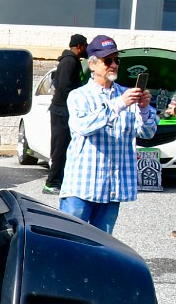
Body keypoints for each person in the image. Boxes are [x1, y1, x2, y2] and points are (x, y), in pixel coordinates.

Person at [59, 34, 157, 234]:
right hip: (82, 187)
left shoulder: (127, 95)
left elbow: (147, 133)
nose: (113, 65)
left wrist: (145, 108)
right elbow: (83, 126)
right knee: (68, 243)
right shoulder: (79, 96)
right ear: (93, 65)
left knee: (102, 248)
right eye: (108, 60)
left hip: (112, 188)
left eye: (116, 60)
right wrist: (119, 105)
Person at [42, 33, 88, 194]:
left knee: (66, 148)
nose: (87, 48)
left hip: (64, 111)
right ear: (80, 46)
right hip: (62, 111)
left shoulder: (71, 61)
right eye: (86, 45)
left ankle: (61, 181)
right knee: (60, 148)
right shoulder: (69, 62)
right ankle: (51, 183)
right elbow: (64, 88)